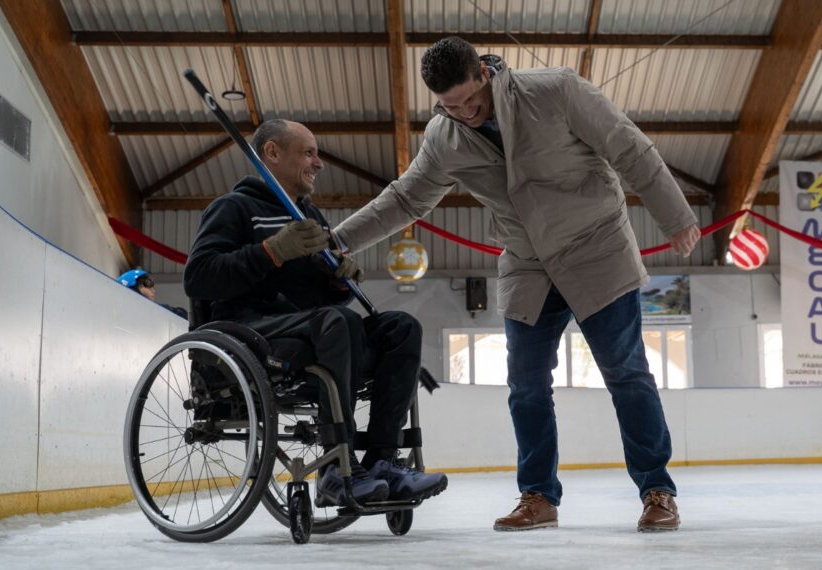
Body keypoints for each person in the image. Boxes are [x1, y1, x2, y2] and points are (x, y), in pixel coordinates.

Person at [332, 37, 700, 532]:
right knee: (526, 387)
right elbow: (405, 200)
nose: (464, 113)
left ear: (484, 71)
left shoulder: (557, 91)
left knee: (626, 373)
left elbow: (628, 147)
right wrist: (340, 241)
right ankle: (538, 496)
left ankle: (657, 489)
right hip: (527, 262)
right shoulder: (444, 136)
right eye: (449, 106)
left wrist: (675, 215)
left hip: (598, 249)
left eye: (470, 101)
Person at [183, 119, 447, 507]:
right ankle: (334, 471)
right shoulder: (233, 208)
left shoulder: (309, 217)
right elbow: (199, 278)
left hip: (311, 332)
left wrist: (338, 282)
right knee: (338, 322)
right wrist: (270, 251)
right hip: (253, 334)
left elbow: (321, 300)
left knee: (401, 328)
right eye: (308, 152)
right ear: (272, 153)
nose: (318, 163)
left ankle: (380, 461)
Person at [117, 268, 188, 319]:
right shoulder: (159, 311)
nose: (153, 290)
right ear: (133, 288)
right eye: (148, 283)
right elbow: (181, 314)